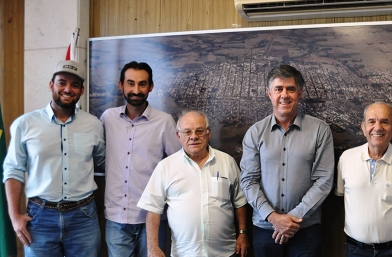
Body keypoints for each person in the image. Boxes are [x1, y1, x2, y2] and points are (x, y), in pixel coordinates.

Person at [3, 60, 106, 257]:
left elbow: (102, 163)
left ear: (82, 90)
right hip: (39, 218)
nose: (68, 89)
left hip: (83, 218)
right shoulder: (25, 124)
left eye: (74, 85)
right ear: (51, 85)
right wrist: (14, 216)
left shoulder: (94, 125)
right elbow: (13, 170)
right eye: (62, 82)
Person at [240, 64, 334, 257]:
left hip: (306, 229)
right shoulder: (255, 133)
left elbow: (324, 180)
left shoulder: (320, 130)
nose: (285, 95)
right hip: (266, 228)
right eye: (278, 89)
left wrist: (293, 218)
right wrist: (274, 218)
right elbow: (248, 181)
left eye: (291, 89)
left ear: (299, 93)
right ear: (269, 93)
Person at [138, 111, 249, 257]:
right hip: (184, 253)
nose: (194, 136)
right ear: (178, 136)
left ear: (208, 133)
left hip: (225, 252)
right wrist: (152, 248)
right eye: (187, 132)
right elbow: (152, 209)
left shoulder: (227, 162)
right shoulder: (165, 167)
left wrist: (243, 233)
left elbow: (240, 202)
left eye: (199, 131)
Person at [101, 61, 181, 257]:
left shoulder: (164, 121)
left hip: (152, 218)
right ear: (121, 85)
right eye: (130, 83)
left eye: (142, 84)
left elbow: (178, 164)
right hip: (116, 218)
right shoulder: (107, 118)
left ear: (151, 87)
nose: (136, 90)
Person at [335, 102, 392, 257]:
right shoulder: (346, 158)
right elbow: (342, 196)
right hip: (355, 250)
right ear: (363, 127)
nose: (378, 127)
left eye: (385, 122)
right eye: (371, 121)